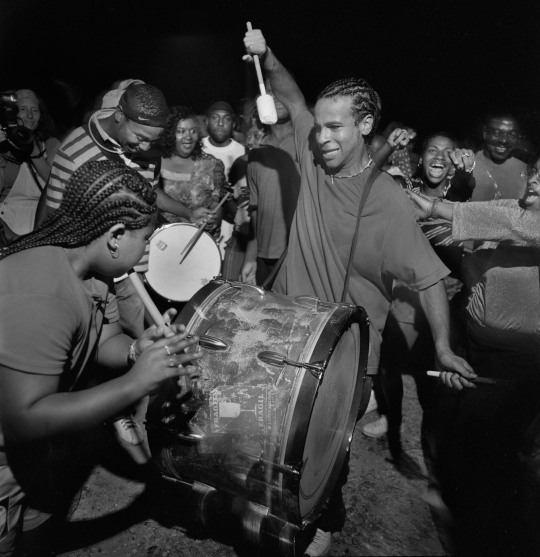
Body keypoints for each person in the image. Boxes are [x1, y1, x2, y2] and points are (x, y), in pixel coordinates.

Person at [243, 28, 475, 557]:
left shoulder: (388, 200)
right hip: (286, 326)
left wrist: (442, 347)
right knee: (272, 430)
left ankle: (327, 513)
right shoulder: (310, 149)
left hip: (345, 353)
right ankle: (281, 503)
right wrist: (268, 54)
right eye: (319, 127)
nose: (321, 137)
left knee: (324, 452)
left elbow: (430, 277)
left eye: (335, 127)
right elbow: (292, 98)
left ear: (365, 125)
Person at [0, 160, 202, 556]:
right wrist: (135, 383)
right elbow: (24, 418)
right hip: (6, 459)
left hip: (36, 453)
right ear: (115, 235)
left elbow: (100, 338)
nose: (146, 249)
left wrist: (134, 350)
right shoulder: (41, 298)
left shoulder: (91, 270)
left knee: (38, 531)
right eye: (144, 239)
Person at [407, 167, 540, 555]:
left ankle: (477, 533)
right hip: (474, 343)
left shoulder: (526, 221)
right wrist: (431, 208)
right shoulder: (514, 209)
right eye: (535, 172)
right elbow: (495, 211)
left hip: (517, 362)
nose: (534, 180)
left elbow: (516, 223)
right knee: (453, 435)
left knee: (487, 454)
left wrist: (434, 206)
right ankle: (460, 511)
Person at [362, 133, 476, 443]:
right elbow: (366, 176)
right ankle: (390, 417)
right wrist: (389, 147)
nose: (439, 156)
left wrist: (465, 169)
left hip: (449, 304)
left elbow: (466, 185)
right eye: (432, 150)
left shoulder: (460, 197)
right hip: (407, 300)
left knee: (435, 385)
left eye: (447, 152)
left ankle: (436, 449)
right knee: (387, 368)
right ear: (421, 158)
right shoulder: (406, 193)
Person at [240, 88, 301, 286]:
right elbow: (256, 210)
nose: (275, 97)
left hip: (300, 256)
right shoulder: (257, 154)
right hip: (265, 257)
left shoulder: (309, 145)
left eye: (279, 89)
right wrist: (251, 257)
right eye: (268, 92)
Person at [0, 89, 59, 246]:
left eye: (35, 110)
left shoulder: (51, 145)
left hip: (42, 234)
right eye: (23, 109)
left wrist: (34, 152)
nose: (30, 116)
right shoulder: (3, 147)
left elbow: (57, 188)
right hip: (8, 235)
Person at [158, 105, 228, 239]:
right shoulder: (156, 163)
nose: (188, 137)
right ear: (170, 134)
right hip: (163, 242)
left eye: (193, 131)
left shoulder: (212, 165)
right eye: (181, 131)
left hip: (200, 242)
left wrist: (214, 219)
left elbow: (216, 203)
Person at [201, 101, 246, 276]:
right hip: (203, 224)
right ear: (206, 122)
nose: (220, 123)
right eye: (215, 118)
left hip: (230, 229)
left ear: (233, 124)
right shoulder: (197, 147)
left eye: (226, 119)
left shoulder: (243, 152)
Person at [470, 113, 527, 202]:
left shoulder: (526, 171)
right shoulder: (466, 165)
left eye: (512, 134)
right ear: (485, 133)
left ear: (519, 137)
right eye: (496, 133)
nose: (504, 140)